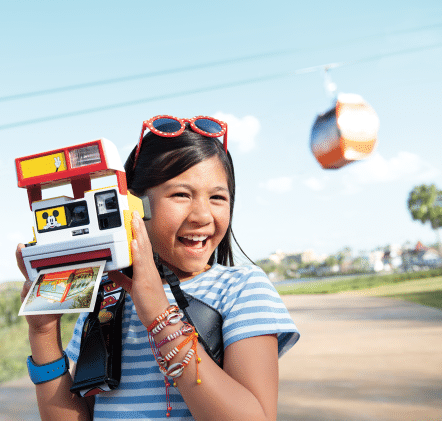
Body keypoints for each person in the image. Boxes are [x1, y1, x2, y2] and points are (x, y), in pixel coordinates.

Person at [15, 115, 300, 420]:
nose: (202, 215)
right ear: (133, 206)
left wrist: (159, 316)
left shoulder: (242, 288)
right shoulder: (106, 297)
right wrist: (43, 333)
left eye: (218, 197)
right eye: (181, 195)